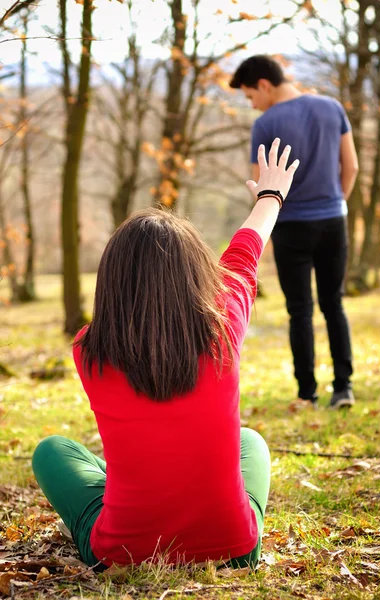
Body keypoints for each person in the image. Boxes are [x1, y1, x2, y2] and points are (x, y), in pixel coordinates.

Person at [32, 140, 299, 569]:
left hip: (122, 553)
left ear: (111, 281)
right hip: (234, 549)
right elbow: (243, 259)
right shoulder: (223, 330)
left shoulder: (89, 350)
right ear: (198, 275)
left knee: (51, 451)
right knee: (251, 443)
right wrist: (271, 196)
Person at [230, 55, 359, 410]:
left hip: (289, 226)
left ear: (264, 85)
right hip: (333, 220)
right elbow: (352, 166)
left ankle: (307, 394)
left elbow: (262, 188)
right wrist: (335, 203)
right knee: (334, 304)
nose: (252, 104)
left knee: (299, 310)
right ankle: (344, 388)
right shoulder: (332, 108)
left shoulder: (266, 123)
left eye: (249, 96)